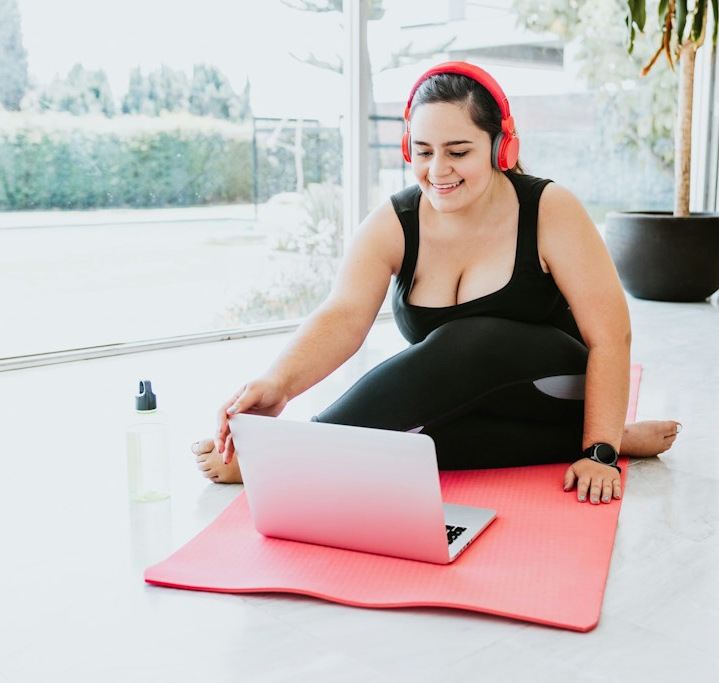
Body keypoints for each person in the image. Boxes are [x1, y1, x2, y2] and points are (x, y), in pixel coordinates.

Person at [192, 61, 680, 506]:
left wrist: (598, 453)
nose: (437, 170)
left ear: (500, 146)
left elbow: (611, 335)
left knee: (469, 337)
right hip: (473, 401)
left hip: (558, 384)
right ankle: (614, 435)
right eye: (423, 151)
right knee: (410, 444)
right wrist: (279, 383)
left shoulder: (551, 210)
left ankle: (301, 451)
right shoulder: (395, 221)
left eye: (458, 151)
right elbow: (342, 315)